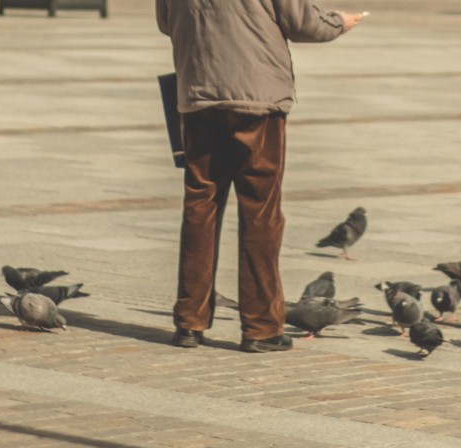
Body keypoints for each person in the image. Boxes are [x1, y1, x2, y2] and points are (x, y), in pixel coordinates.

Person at [155, 0, 365, 352]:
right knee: (260, 211)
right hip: (257, 102)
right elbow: (302, 22)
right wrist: (337, 22)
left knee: (199, 208)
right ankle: (261, 327)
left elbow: (166, 21)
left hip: (198, 95)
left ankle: (189, 322)